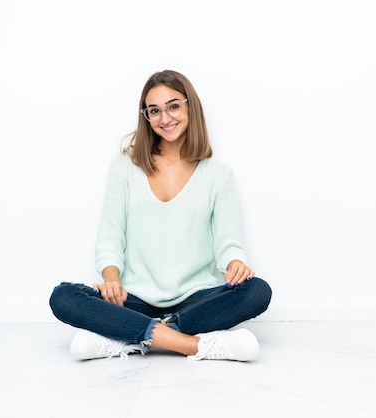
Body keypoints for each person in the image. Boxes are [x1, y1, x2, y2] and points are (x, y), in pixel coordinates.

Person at [49, 70, 272, 362]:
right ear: (147, 117)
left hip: (194, 300)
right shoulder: (125, 167)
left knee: (258, 291)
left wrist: (236, 264)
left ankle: (129, 337)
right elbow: (110, 236)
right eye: (154, 110)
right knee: (62, 297)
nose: (165, 118)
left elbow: (228, 242)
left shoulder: (219, 175)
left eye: (173, 106)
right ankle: (191, 344)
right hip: (133, 299)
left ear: (190, 105)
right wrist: (111, 279)